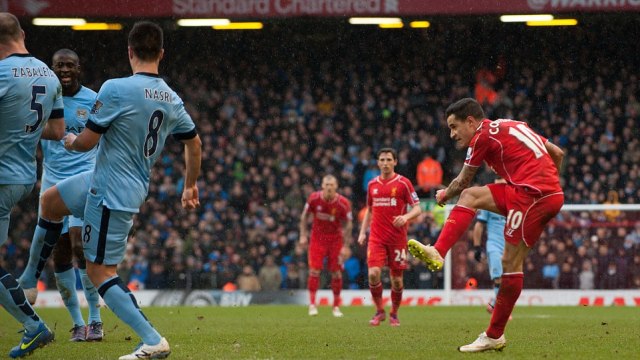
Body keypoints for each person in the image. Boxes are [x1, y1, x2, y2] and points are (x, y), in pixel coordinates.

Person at [25, 21, 201, 359]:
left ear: (130, 51)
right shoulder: (171, 98)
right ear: (161, 54)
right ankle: (29, 278)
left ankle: (151, 339)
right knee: (50, 201)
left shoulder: (115, 88)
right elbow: (195, 144)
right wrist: (189, 185)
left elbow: (86, 142)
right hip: (105, 182)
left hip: (112, 193)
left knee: (99, 271)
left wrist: (73, 140)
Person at [408, 98, 564, 352]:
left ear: (470, 121)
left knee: (510, 263)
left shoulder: (481, 136)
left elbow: (462, 180)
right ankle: (438, 250)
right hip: (533, 191)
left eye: (454, 127)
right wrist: (551, 186)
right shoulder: (510, 124)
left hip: (532, 195)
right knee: (472, 197)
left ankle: (494, 335)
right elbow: (557, 152)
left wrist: (444, 194)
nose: (452, 134)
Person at [18, 48, 103, 342]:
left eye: (69, 65)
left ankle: (95, 319)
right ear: (51, 69)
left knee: (82, 248)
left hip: (83, 178)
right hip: (53, 180)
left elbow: (104, 137)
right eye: (59, 66)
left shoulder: (93, 100)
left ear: (78, 68)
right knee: (61, 253)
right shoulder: (42, 99)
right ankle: (78, 322)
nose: (64, 70)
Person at [0, 12, 65, 358]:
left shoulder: (1, 73)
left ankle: (33, 325)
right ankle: (32, 325)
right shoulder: (49, 74)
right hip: (24, 176)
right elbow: (56, 131)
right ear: (23, 34)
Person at [357, 148, 422, 326]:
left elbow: (418, 208)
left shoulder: (403, 183)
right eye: (382, 160)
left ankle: (394, 313)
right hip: (376, 238)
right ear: (378, 163)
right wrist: (363, 232)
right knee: (373, 273)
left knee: (396, 280)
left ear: (395, 162)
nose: (385, 163)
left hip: (397, 239)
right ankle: (379, 311)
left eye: (388, 160)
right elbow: (369, 210)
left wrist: (406, 217)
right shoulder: (372, 185)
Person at [299, 174, 353, 317]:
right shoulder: (314, 198)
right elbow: (304, 217)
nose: (329, 187)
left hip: (335, 240)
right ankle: (312, 305)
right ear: (322, 186)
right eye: (326, 185)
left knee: (336, 272)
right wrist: (303, 235)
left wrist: (346, 245)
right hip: (317, 239)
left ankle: (335, 307)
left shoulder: (343, 203)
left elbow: (349, 224)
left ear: (336, 186)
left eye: (332, 185)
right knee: (314, 270)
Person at [471, 177, 507, 314]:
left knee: (509, 280)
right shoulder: (489, 202)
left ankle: (494, 303)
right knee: (498, 278)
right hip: (494, 245)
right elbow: (479, 225)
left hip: (511, 246)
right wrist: (477, 247)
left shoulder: (513, 200)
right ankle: (500, 310)